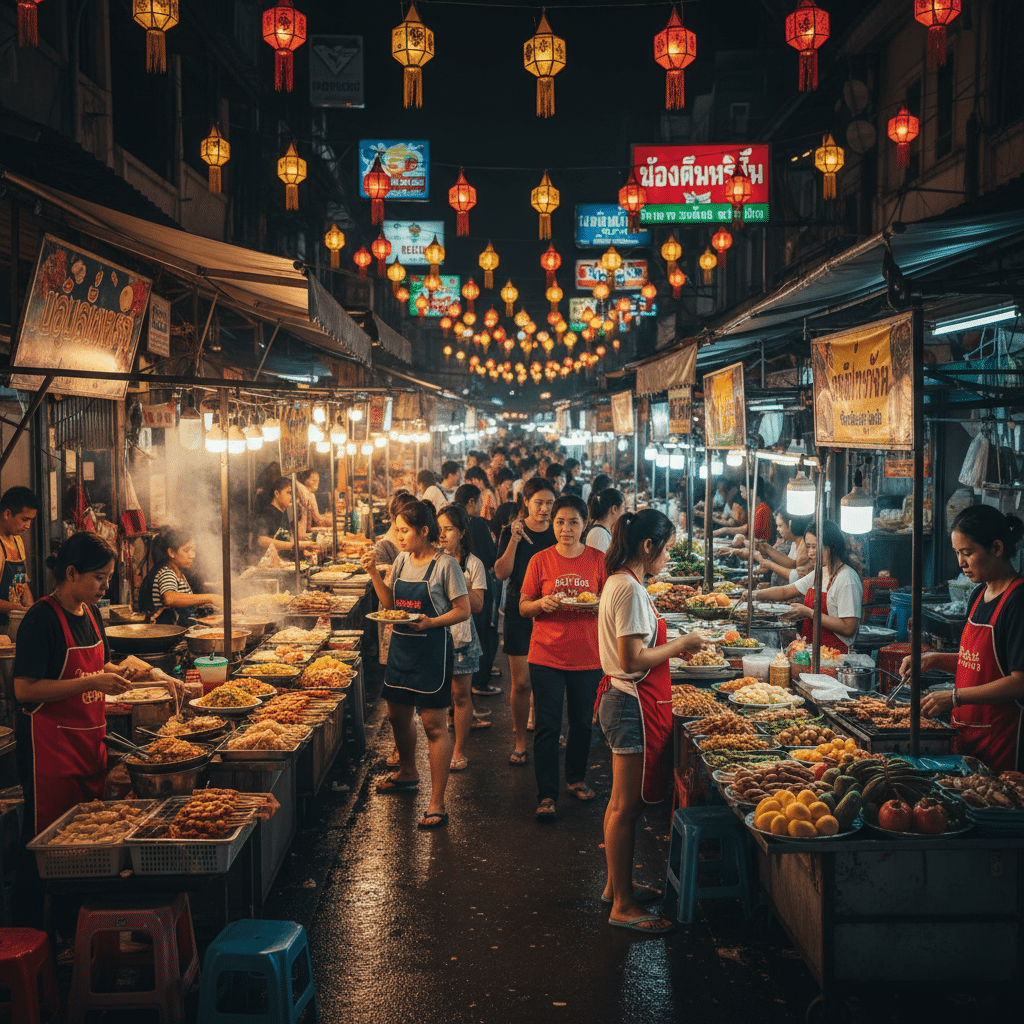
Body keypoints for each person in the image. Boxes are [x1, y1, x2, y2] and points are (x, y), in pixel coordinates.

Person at [14, 534, 179, 839]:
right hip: (51, 753)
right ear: (71, 573)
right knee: (50, 837)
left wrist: (131, 674)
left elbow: (99, 666)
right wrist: (92, 682)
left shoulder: (90, 613)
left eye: (109, 578)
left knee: (89, 835)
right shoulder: (42, 618)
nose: (106, 587)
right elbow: (24, 690)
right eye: (99, 578)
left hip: (90, 746)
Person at [596, 509, 707, 934]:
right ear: (648, 547)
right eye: (666, 551)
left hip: (624, 701)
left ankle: (615, 885)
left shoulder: (625, 583)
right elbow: (632, 659)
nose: (666, 560)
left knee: (620, 803)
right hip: (628, 704)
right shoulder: (627, 590)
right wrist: (684, 643)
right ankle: (622, 905)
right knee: (627, 807)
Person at [361, 501, 470, 829]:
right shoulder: (400, 560)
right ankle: (408, 771)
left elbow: (463, 610)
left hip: (432, 651)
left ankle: (437, 802)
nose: (398, 536)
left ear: (424, 531)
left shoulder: (445, 565)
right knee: (396, 714)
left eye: (404, 530)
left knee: (433, 724)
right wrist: (371, 573)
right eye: (396, 530)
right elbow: (390, 604)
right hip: (401, 649)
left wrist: (431, 622)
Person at [901, 506, 1024, 771]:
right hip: (966, 736)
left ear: (997, 548)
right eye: (957, 553)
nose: (960, 563)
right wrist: (932, 659)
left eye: (967, 553)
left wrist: (954, 697)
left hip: (1002, 740)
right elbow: (976, 661)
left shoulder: (1018, 601)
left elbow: (1019, 682)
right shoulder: (978, 595)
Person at [520, 495, 607, 819]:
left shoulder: (599, 560)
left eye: (573, 522)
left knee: (583, 725)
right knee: (547, 726)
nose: (566, 528)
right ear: (552, 524)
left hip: (588, 656)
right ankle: (546, 795)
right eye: (560, 522)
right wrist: (541, 605)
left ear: (584, 525)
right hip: (546, 656)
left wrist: (599, 604)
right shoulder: (540, 560)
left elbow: (608, 603)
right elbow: (523, 605)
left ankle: (575, 778)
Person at [495, 477, 557, 764]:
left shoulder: (559, 533)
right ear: (526, 503)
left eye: (549, 503)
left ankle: (549, 731)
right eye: (539, 503)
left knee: (550, 681)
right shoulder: (512, 531)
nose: (545, 509)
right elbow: (501, 573)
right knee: (521, 683)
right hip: (519, 612)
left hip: (553, 613)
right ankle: (520, 740)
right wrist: (514, 540)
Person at [753, 520, 863, 654]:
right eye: (808, 547)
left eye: (814, 547)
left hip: (835, 655)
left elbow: (848, 627)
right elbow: (785, 591)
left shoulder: (847, 579)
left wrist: (809, 613)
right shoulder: (821, 572)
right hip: (812, 650)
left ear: (831, 546)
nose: (810, 553)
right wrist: (754, 595)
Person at [438, 503, 489, 771]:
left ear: (461, 532)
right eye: (439, 529)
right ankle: (438, 747)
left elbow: (478, 604)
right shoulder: (432, 560)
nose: (443, 534)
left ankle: (458, 749)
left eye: (449, 529)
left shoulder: (474, 564)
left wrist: (459, 581)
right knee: (434, 695)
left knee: (460, 694)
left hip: (462, 637)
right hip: (434, 635)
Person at [455, 484, 501, 699]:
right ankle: (480, 682)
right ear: (471, 502)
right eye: (480, 501)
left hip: (460, 588)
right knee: (484, 634)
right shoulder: (477, 525)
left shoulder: (455, 523)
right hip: (478, 587)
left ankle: (470, 683)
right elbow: (491, 557)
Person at [140, 528, 222, 625]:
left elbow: (185, 602)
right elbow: (170, 598)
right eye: (186, 550)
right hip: (170, 634)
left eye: (193, 550)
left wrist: (207, 604)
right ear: (171, 553)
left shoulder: (177, 573)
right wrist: (210, 597)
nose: (192, 555)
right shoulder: (167, 573)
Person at [0, 486, 38, 630]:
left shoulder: (17, 541)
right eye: (24, 519)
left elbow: (21, 581)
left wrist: (31, 609)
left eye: (31, 520)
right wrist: (18, 609)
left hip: (15, 624)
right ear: (7, 514)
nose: (27, 526)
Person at [253, 478, 318, 555]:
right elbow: (261, 540)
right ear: (277, 494)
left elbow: (287, 540)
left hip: (284, 562)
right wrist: (294, 546)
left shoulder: (284, 513)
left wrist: (304, 552)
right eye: (289, 492)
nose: (292, 497)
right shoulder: (267, 513)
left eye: (293, 493)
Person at [755, 510, 813, 584]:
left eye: (780, 525)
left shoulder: (804, 544)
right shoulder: (794, 544)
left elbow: (795, 572)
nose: (777, 529)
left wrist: (767, 561)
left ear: (790, 524)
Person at [585, 488, 625, 554]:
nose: (623, 512)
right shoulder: (599, 535)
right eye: (622, 508)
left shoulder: (602, 531)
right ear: (614, 509)